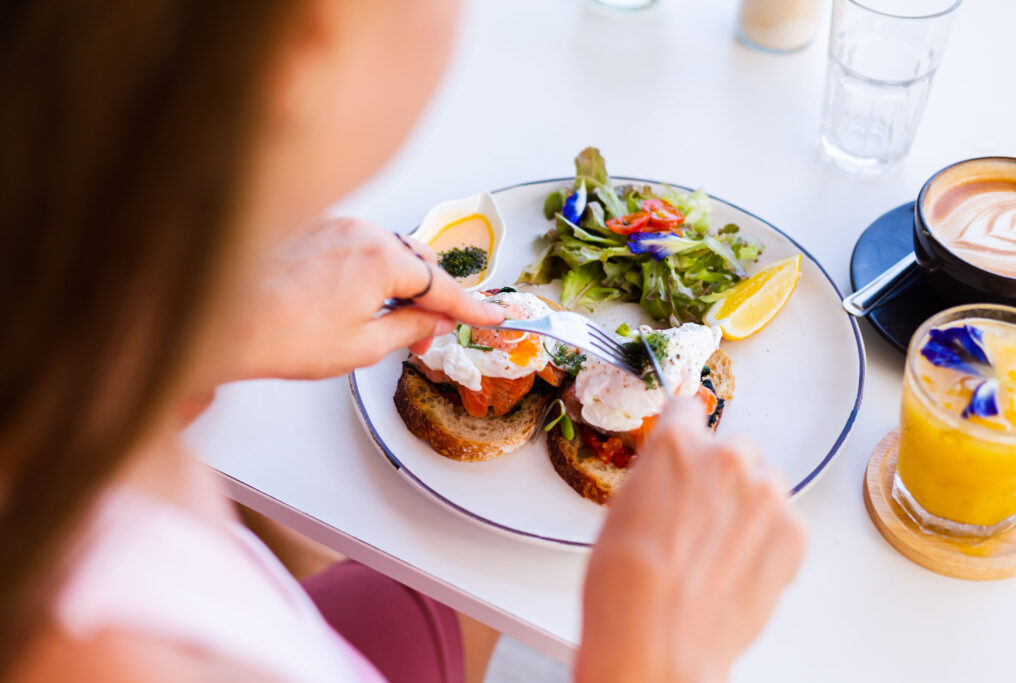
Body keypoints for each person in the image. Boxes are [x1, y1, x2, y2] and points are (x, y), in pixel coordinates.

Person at [0, 0, 805, 681]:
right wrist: (646, 659)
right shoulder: (121, 652)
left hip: (267, 611)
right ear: (305, 42)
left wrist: (206, 326)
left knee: (457, 572)